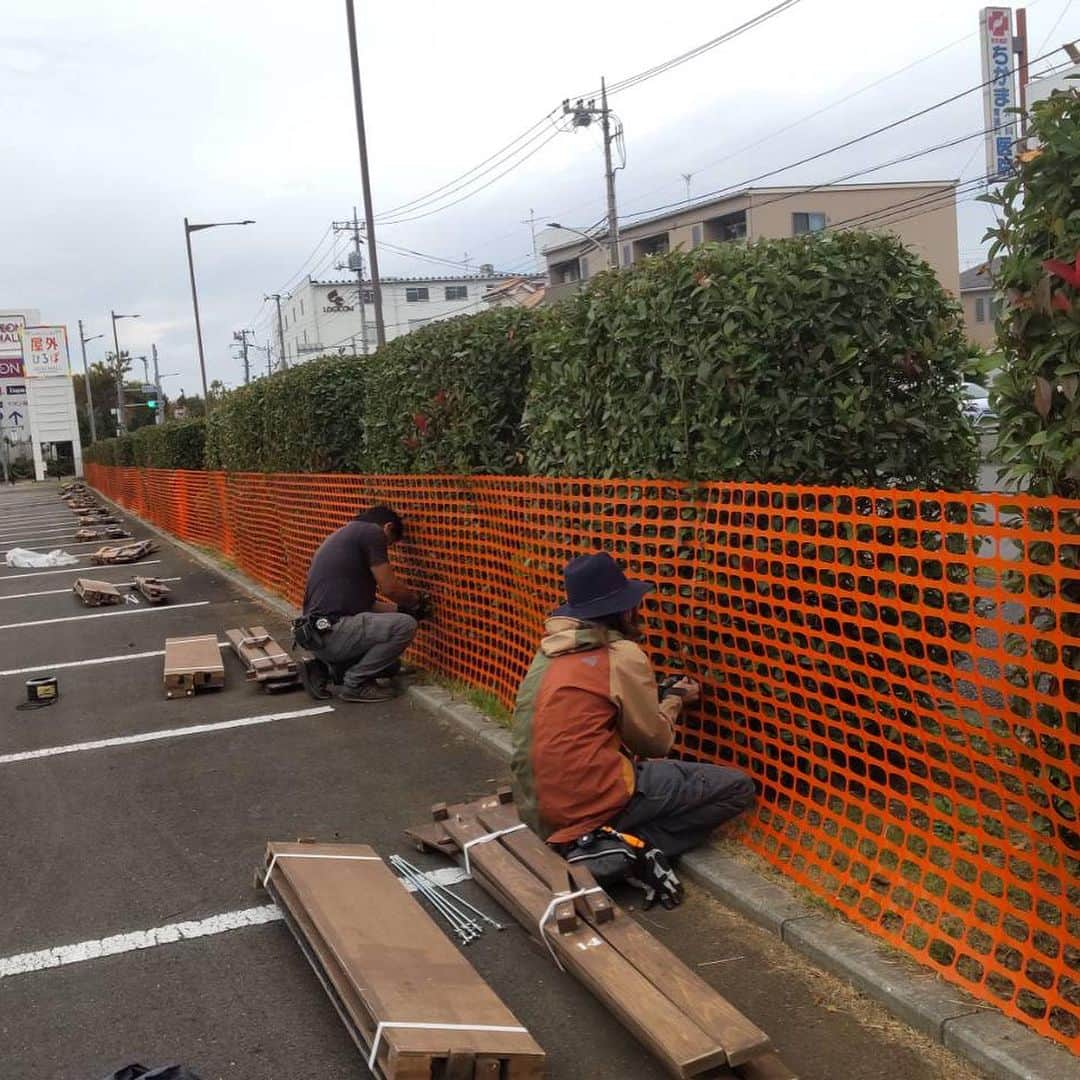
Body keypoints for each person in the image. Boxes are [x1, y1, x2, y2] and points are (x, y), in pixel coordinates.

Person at [511, 551, 755, 908]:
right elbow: (654, 741)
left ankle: (597, 841)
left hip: (539, 807)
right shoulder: (620, 654)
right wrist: (674, 700)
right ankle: (616, 847)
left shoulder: (550, 653)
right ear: (624, 610)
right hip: (589, 799)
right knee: (737, 788)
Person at [297, 506, 425, 703]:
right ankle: (356, 684)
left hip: (318, 636)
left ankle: (325, 669)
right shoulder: (371, 533)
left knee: (389, 666)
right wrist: (416, 603)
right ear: (387, 527)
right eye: (389, 544)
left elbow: (365, 606)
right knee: (405, 625)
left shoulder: (344, 536)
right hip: (334, 633)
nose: (386, 549)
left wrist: (401, 609)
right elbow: (390, 588)